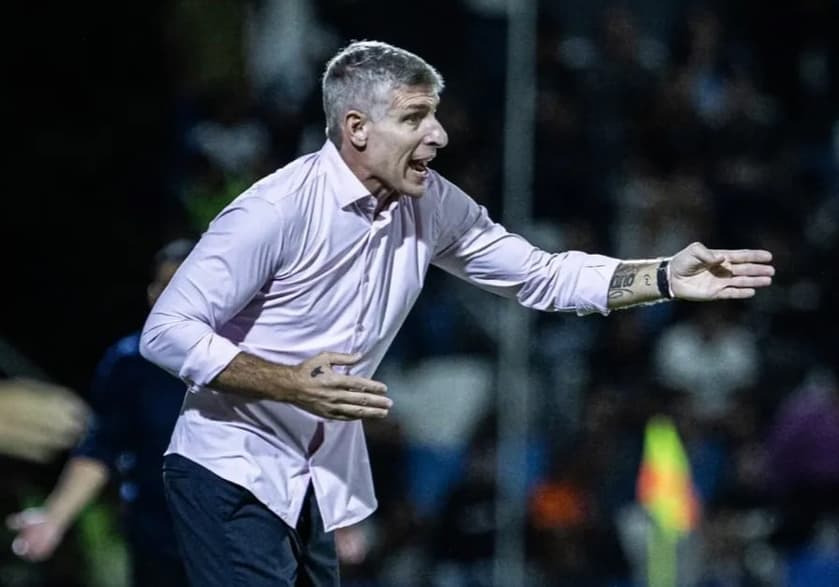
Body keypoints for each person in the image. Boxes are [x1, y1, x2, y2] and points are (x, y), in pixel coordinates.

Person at [140, 41, 775, 586]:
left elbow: (542, 275)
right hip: (231, 469)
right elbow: (166, 331)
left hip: (315, 478)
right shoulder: (273, 211)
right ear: (357, 128)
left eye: (435, 115)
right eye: (415, 117)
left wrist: (663, 276)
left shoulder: (431, 203)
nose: (438, 135)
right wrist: (287, 383)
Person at [7, 239, 194, 587]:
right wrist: (53, 519)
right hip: (157, 541)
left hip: (239, 541)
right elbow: (101, 447)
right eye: (164, 287)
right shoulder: (130, 362)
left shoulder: (260, 356)